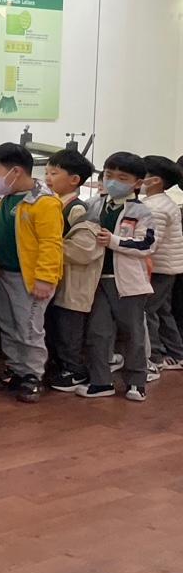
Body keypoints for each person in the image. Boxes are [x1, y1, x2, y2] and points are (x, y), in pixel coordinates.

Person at [0, 142, 63, 403]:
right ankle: (15, 369)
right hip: (5, 273)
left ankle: (32, 375)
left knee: (29, 328)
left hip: (30, 278)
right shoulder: (6, 197)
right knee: (7, 323)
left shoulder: (44, 202)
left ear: (15, 171)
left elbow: (51, 244)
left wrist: (44, 278)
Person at [79, 152, 156, 400]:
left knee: (132, 333)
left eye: (122, 178)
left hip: (128, 283)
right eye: (109, 175)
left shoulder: (142, 211)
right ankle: (101, 381)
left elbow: (147, 244)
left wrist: (113, 241)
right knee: (97, 333)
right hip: (97, 279)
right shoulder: (94, 204)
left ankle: (136, 382)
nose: (113, 182)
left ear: (137, 183)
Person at [41, 149, 101, 393]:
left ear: (74, 179)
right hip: (57, 278)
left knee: (68, 331)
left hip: (74, 282)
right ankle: (61, 366)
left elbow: (84, 249)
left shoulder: (77, 209)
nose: (47, 177)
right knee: (54, 328)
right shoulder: (52, 203)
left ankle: (75, 370)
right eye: (46, 172)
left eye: (54, 173)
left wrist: (45, 249)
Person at [140, 156, 183, 371]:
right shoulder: (163, 203)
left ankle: (155, 357)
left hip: (157, 268)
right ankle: (176, 353)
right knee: (162, 311)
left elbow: (150, 244)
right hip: (166, 267)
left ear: (155, 180)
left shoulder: (155, 207)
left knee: (148, 311)